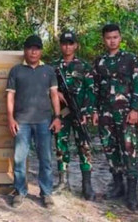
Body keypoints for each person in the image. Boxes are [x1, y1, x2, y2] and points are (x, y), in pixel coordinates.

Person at [7, 35, 62, 209]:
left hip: (44, 122)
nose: (33, 51)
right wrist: (10, 117)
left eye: (37, 48)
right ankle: (20, 191)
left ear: (41, 51)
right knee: (19, 159)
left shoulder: (49, 70)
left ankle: (46, 193)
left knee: (45, 158)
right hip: (21, 122)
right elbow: (10, 96)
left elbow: (54, 95)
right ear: (25, 50)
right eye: (30, 48)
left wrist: (57, 117)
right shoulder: (16, 71)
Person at [91, 24, 138, 210]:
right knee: (110, 149)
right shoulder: (99, 61)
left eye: (115, 37)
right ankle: (118, 185)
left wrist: (135, 109)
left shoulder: (130, 59)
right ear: (104, 39)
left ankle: (132, 193)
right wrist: (95, 111)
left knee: (128, 150)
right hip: (105, 113)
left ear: (120, 38)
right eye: (108, 37)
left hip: (125, 113)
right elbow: (95, 88)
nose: (112, 40)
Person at [51, 31, 96, 200]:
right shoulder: (53, 67)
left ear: (76, 45)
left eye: (70, 43)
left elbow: (91, 90)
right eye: (64, 43)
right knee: (61, 144)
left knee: (84, 145)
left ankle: (87, 184)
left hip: (80, 112)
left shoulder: (84, 66)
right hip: (61, 112)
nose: (67, 46)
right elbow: (48, 88)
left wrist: (87, 111)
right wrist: (56, 95)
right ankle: (63, 181)